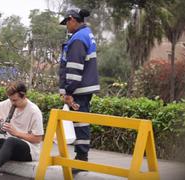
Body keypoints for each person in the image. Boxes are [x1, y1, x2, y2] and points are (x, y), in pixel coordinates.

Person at [59, 9, 100, 172]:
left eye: (66, 23)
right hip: (83, 89)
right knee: (81, 122)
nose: (66, 27)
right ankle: (81, 158)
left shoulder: (77, 39)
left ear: (72, 20)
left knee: (80, 123)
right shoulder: (86, 34)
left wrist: (68, 92)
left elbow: (74, 68)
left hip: (78, 90)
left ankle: (81, 160)